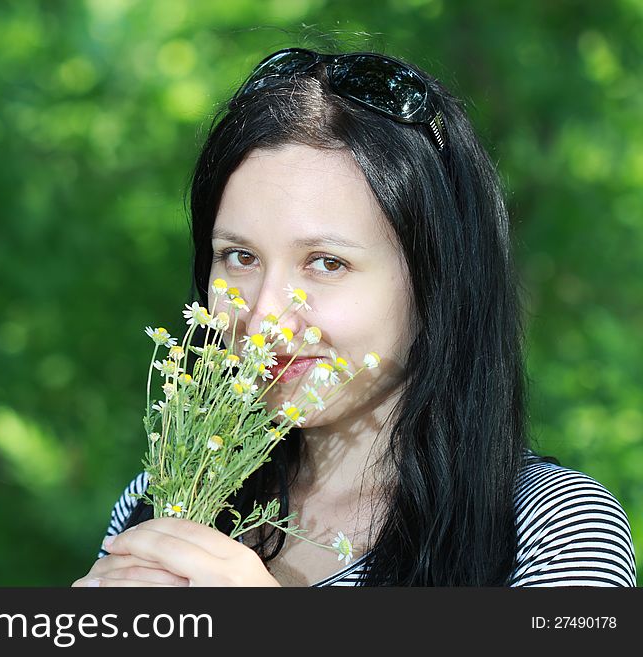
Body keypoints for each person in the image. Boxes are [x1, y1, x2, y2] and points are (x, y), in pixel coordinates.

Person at [72, 47, 637, 587]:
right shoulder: (169, 491)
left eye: (325, 262)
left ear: (435, 281)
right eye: (239, 258)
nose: (265, 317)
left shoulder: (553, 530)